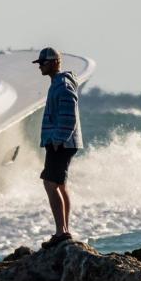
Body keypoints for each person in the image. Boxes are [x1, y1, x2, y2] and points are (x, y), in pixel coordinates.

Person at [34, 47, 83, 245]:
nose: (40, 67)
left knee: (50, 183)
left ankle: (61, 232)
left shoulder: (62, 85)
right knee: (59, 184)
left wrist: (58, 138)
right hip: (62, 142)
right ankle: (64, 230)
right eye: (39, 63)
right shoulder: (57, 83)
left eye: (43, 63)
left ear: (54, 62)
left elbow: (69, 113)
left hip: (61, 143)